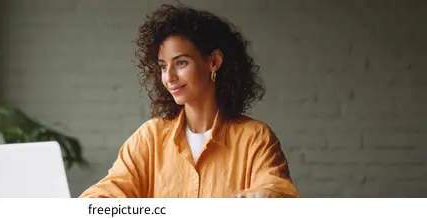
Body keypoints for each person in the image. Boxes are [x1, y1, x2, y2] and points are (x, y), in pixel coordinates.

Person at [79, 4, 299, 198]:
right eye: (163, 66)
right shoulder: (150, 138)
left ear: (214, 62)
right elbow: (108, 191)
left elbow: (277, 191)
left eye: (181, 63)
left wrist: (263, 197)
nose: (169, 77)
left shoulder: (255, 139)